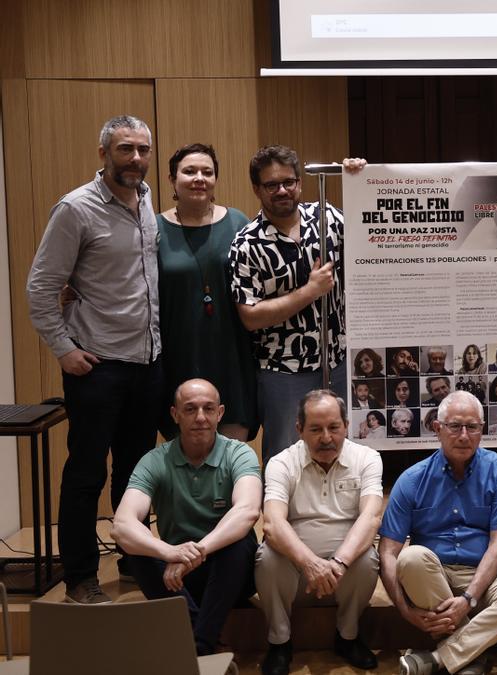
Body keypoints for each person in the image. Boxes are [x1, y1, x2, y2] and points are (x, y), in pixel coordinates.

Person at [26, 115, 164, 604]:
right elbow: (41, 287)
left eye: (143, 150)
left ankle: (134, 560)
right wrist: (63, 349)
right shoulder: (76, 209)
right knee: (87, 473)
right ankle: (81, 576)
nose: (136, 159)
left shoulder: (147, 201)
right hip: (97, 366)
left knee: (136, 472)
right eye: (126, 149)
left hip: (147, 364)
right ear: (103, 152)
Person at [380, 391, 497, 675]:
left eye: (472, 427)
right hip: (431, 576)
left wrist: (469, 599)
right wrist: (405, 611)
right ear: (437, 429)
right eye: (455, 426)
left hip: (483, 574)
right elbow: (388, 552)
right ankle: (470, 656)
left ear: (482, 430)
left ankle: (442, 658)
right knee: (410, 557)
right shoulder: (412, 479)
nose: (464, 435)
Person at [229, 146, 366, 463]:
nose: (282, 190)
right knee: (286, 457)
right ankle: (281, 515)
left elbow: (370, 235)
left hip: (339, 361)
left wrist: (359, 179)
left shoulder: (328, 219)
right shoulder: (246, 243)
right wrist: (310, 291)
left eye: (288, 182)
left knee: (346, 453)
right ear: (256, 189)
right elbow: (249, 316)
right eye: (271, 185)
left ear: (300, 183)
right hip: (283, 370)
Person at [111, 379, 260, 655]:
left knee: (239, 545)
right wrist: (168, 552)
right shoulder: (155, 460)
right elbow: (121, 526)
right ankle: (203, 640)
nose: (200, 417)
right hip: (177, 578)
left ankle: (198, 647)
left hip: (230, 575)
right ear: (175, 415)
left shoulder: (240, 453)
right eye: (190, 409)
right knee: (137, 550)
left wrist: (195, 553)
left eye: (208, 408)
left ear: (220, 413)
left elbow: (247, 511)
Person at [256, 390, 384, 674]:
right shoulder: (280, 463)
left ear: (346, 426)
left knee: (368, 560)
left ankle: (347, 636)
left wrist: (338, 564)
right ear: (299, 429)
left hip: (344, 571)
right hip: (297, 571)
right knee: (267, 558)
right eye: (315, 429)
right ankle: (280, 642)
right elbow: (273, 524)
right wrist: (310, 564)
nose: (326, 437)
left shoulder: (368, 458)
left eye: (334, 427)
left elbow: (371, 517)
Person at [155, 143, 257, 441]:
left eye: (207, 172)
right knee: (186, 462)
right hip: (178, 354)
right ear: (173, 180)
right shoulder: (154, 228)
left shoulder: (239, 222)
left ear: (215, 180)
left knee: (232, 456)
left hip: (232, 355)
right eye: (189, 171)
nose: (199, 177)